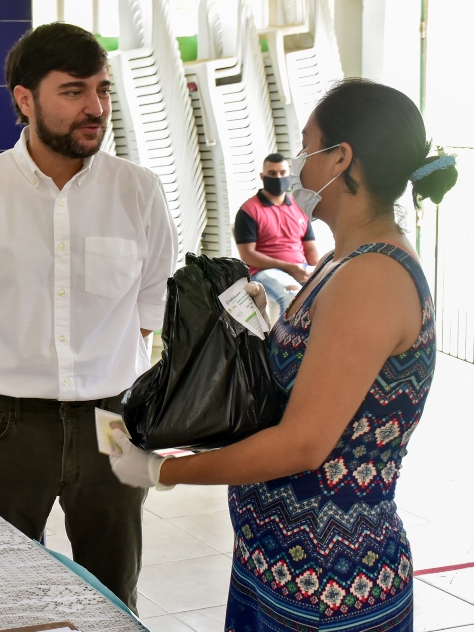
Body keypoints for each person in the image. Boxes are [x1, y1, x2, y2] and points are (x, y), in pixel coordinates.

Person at [107, 79, 458, 630]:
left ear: (342, 159)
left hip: (330, 579)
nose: (296, 165)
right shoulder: (343, 262)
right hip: (281, 564)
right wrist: (261, 325)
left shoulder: (372, 276)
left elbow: (302, 444)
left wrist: (163, 472)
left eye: (307, 147)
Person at [0, 23, 178, 611]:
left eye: (103, 90)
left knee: (114, 589)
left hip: (111, 422)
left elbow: (151, 301)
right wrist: (13, 357)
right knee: (3, 597)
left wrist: (99, 363)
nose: (96, 108)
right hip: (5, 426)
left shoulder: (138, 191)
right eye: (74, 91)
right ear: (24, 99)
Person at [234, 153, 320, 314]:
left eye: (282, 173)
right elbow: (248, 255)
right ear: (262, 176)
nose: (278, 177)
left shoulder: (299, 207)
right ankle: (283, 340)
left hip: (301, 268)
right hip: (264, 272)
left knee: (334, 293)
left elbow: (310, 249)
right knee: (292, 297)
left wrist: (316, 271)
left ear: (289, 175)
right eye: (272, 174)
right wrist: (289, 267)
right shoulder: (249, 210)